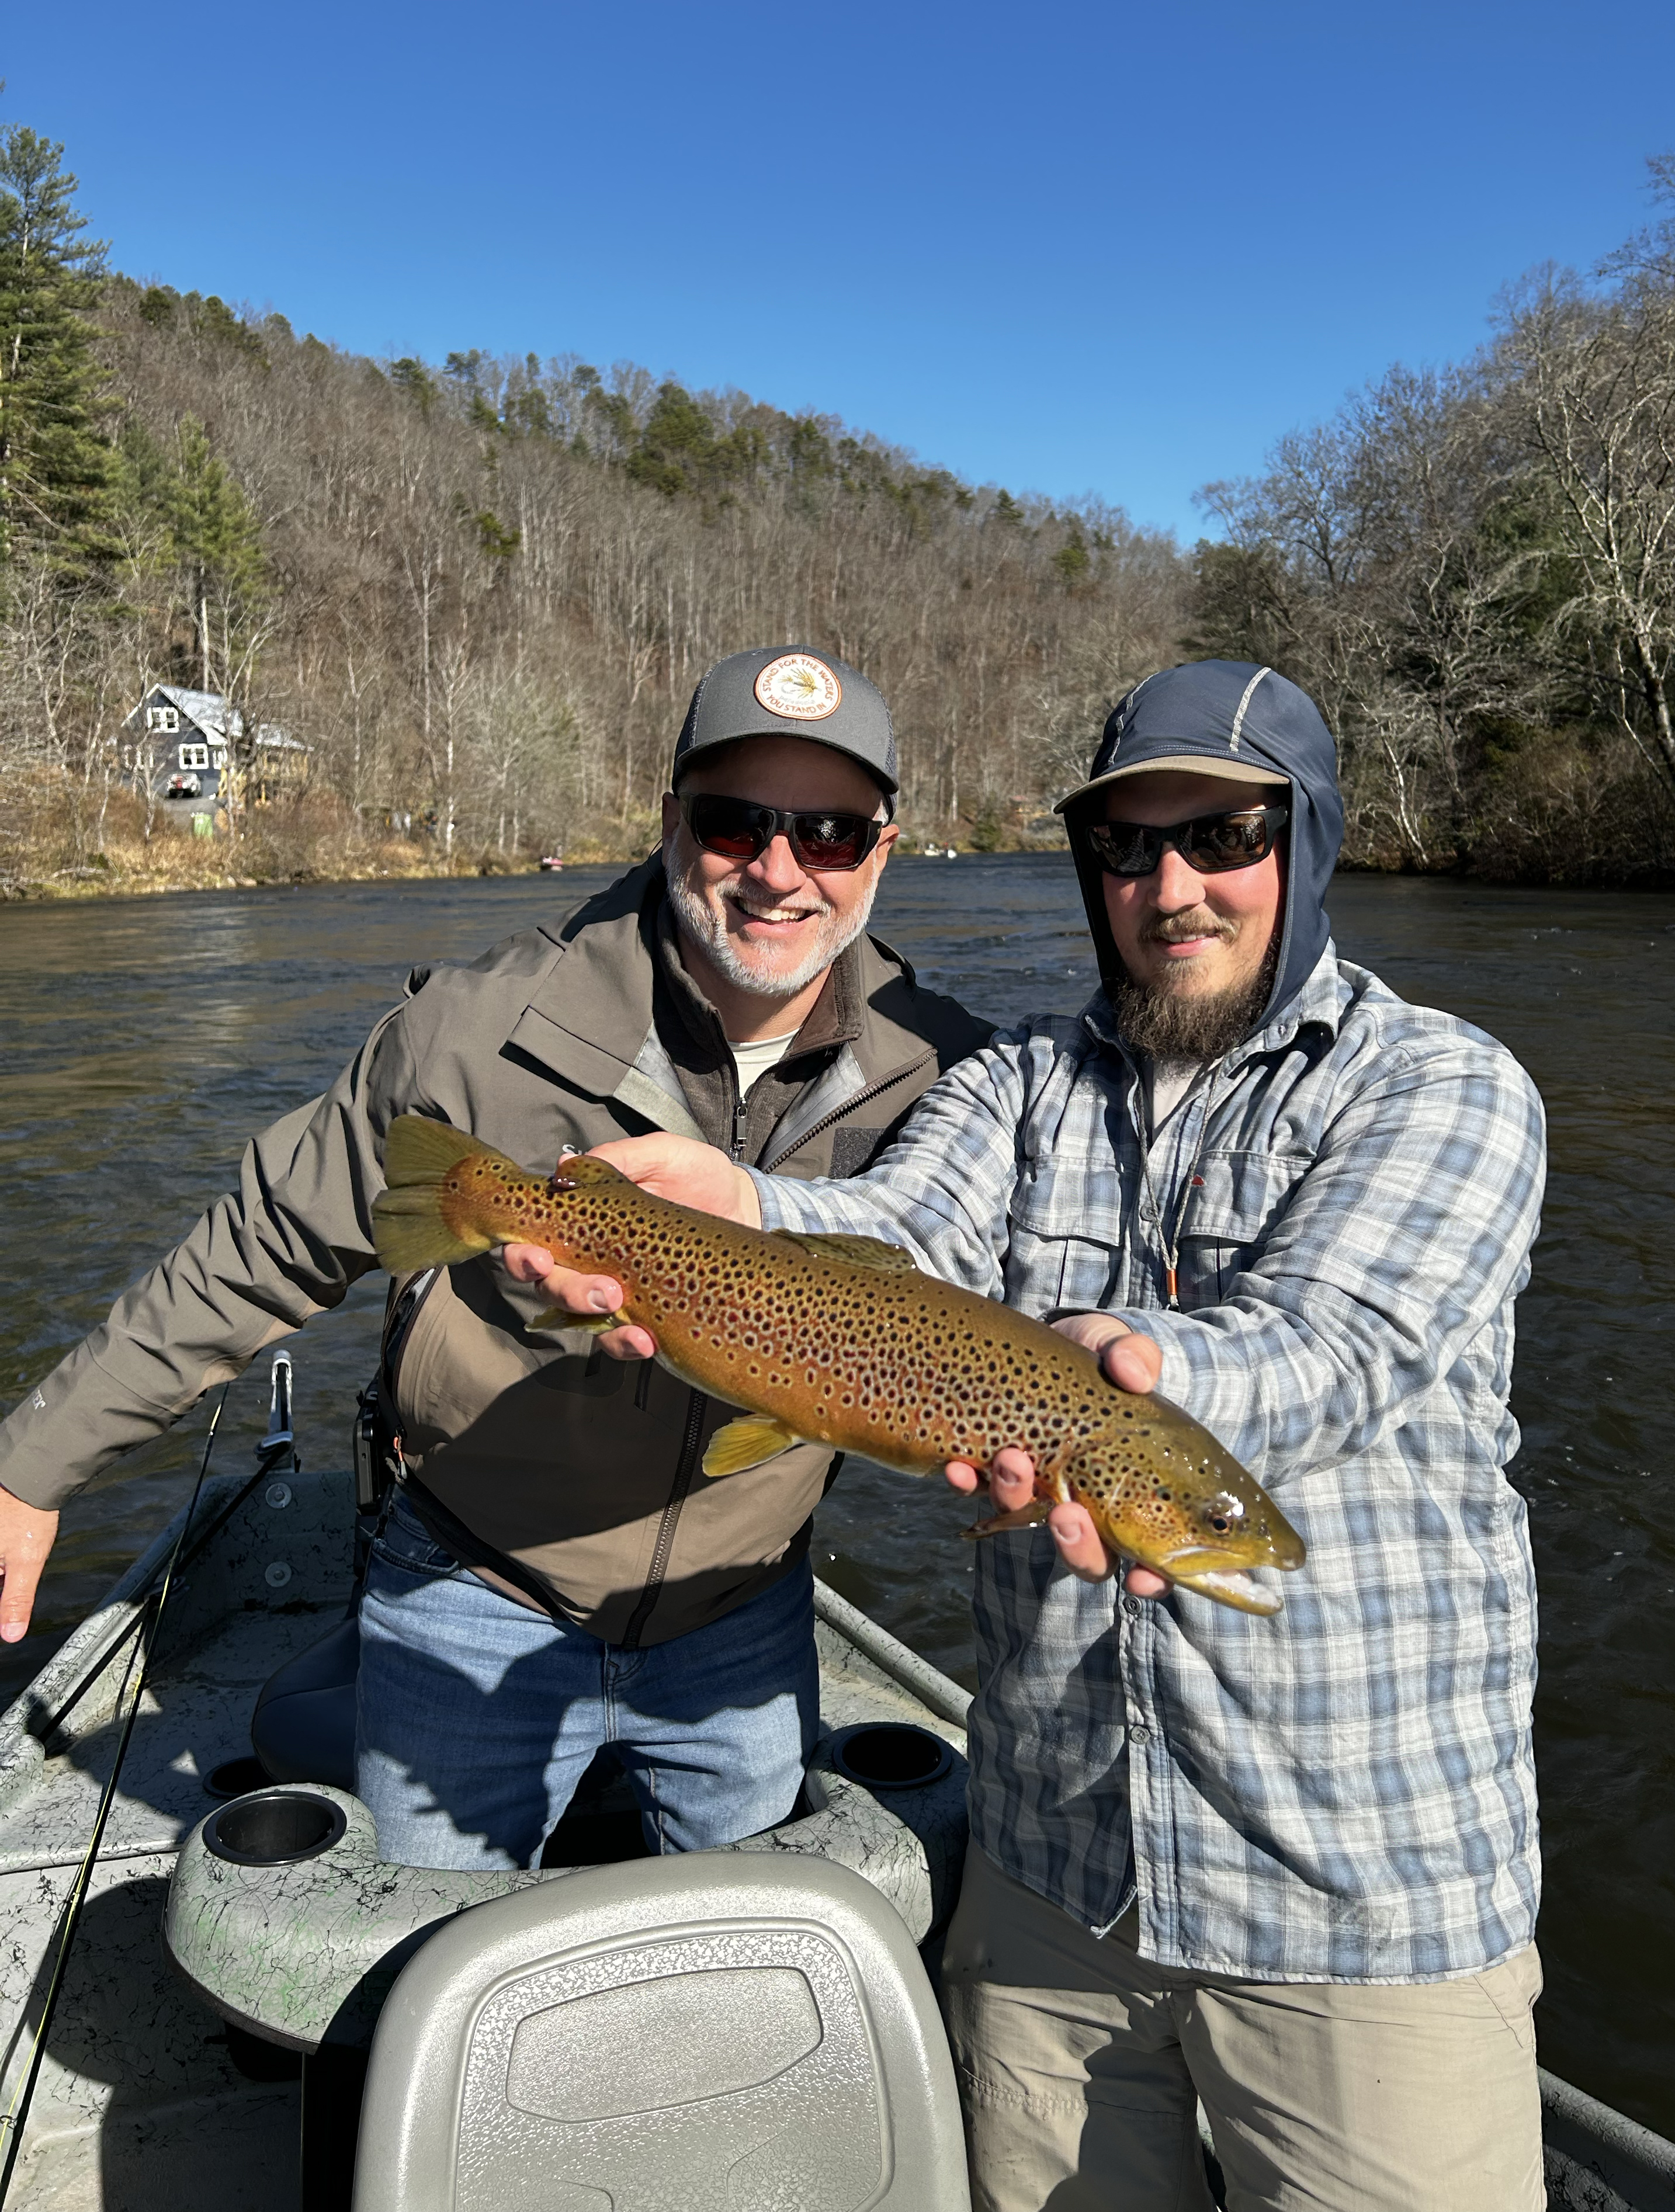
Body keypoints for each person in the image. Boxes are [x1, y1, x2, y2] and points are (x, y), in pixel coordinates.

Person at [538, 660, 1551, 2212]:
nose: (1172, 888)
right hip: (1053, 1882)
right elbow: (891, 1233)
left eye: (1225, 836)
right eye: (1129, 849)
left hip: (1362, 1904)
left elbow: (1339, 1346)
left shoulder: (1446, 1086)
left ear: (1313, 843)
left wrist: (1129, 1376)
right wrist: (735, 1211)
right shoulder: (1015, 1082)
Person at [0, 647, 989, 1869]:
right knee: (425, 1962)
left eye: (831, 832)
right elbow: (261, 1243)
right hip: (471, 1593)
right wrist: (36, 1460)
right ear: (674, 823)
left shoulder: (954, 1075)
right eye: (739, 821)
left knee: (740, 1994)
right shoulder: (479, 1028)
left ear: (882, 851)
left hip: (749, 1612)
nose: (779, 871)